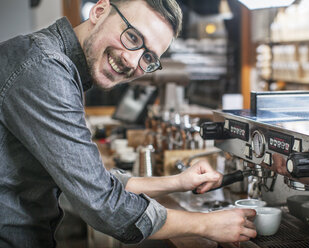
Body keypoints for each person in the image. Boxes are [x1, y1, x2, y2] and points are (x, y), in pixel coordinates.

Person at [0, 0, 257, 247]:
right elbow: (102, 204)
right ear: (99, 11)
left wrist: (177, 182)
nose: (133, 62)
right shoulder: (45, 69)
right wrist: (206, 225)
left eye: (148, 58)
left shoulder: (56, 65)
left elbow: (92, 181)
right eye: (133, 37)